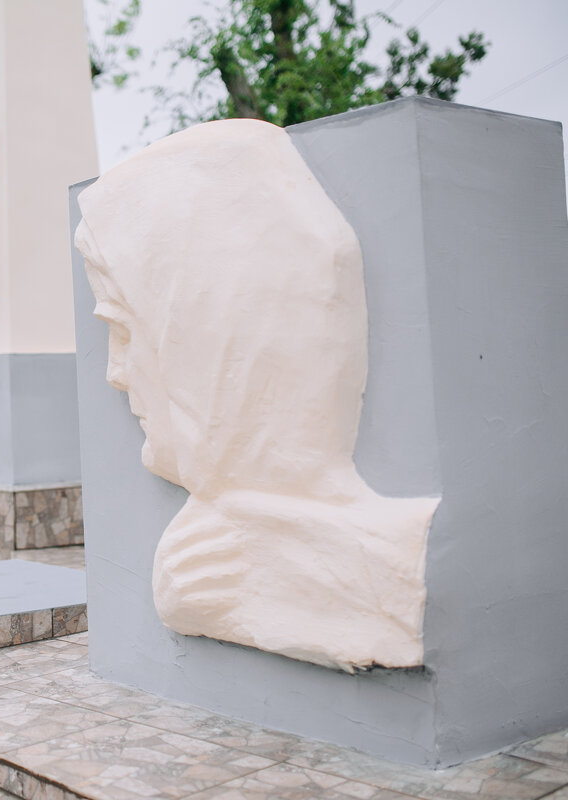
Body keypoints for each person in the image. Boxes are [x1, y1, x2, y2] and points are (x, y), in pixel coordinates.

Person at [74, 119, 439, 671]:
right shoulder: (201, 558)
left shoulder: (404, 558)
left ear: (206, 333)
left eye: (124, 332)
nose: (116, 373)